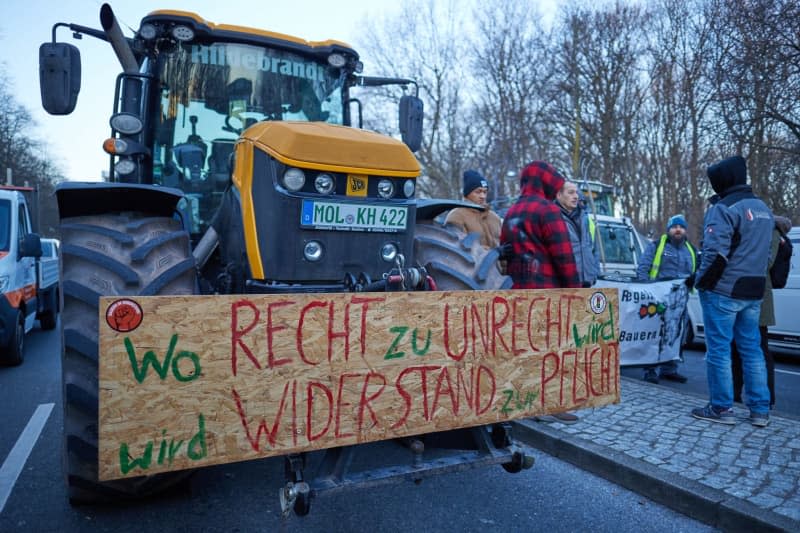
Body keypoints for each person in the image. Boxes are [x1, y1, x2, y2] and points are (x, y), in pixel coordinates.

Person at [691, 155, 773, 427]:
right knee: (752, 349)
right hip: (754, 290)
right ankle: (760, 410)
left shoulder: (724, 208)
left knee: (719, 350)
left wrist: (700, 282)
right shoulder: (763, 208)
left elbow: (715, 254)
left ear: (722, 180)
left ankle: (721, 408)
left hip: (724, 291)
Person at [500, 161, 581, 424]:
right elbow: (564, 256)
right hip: (546, 293)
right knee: (551, 351)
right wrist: (576, 292)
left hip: (518, 290)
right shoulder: (547, 211)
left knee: (525, 349)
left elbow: (504, 253)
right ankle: (548, 407)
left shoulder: (511, 212)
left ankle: (523, 402)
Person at [731, 215, 792, 409]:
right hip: (752, 295)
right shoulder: (769, 232)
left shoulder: (772, 233)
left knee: (758, 350)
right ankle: (735, 393)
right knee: (741, 348)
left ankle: (765, 397)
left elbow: (764, 263)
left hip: (759, 298)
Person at [636, 214, 698, 384]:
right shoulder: (656, 246)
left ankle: (669, 369)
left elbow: (698, 272)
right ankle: (650, 369)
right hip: (658, 301)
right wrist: (647, 290)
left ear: (685, 230)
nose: (678, 229)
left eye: (681, 227)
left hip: (680, 302)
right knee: (654, 335)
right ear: (669, 229)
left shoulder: (691, 250)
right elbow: (643, 268)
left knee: (676, 335)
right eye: (674, 227)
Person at [555, 180, 601, 288]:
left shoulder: (585, 219)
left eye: (576, 192)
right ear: (559, 195)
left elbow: (594, 249)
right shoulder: (554, 219)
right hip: (564, 284)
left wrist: (594, 273)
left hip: (587, 282)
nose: (576, 196)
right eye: (571, 193)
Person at [444, 169, 502, 249]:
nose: (483, 196)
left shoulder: (494, 217)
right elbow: (458, 248)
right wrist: (494, 253)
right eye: (478, 192)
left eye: (485, 192)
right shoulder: (456, 216)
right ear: (467, 194)